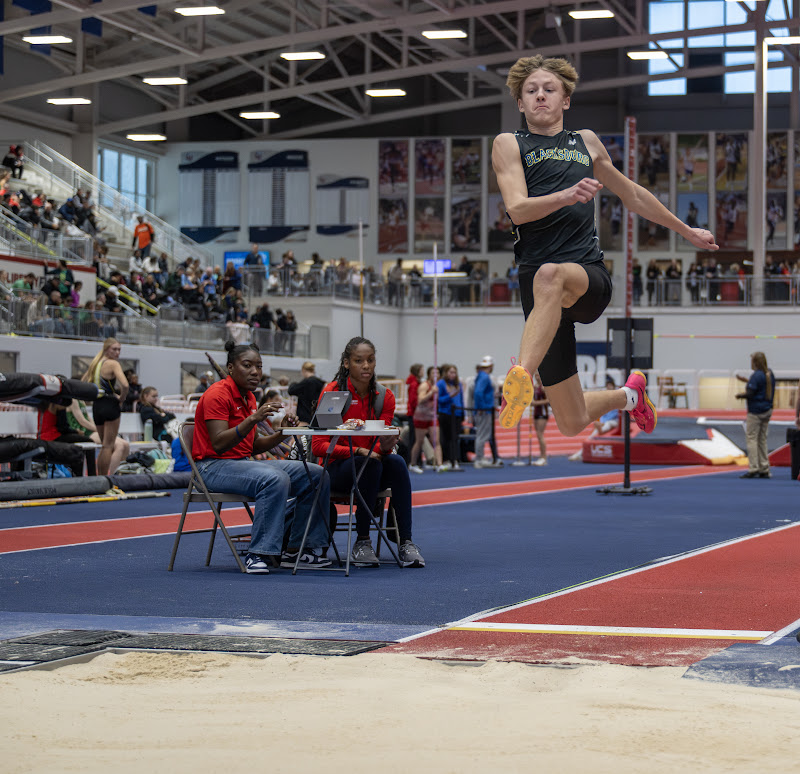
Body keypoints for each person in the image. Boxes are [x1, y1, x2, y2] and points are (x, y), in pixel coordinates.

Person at [491, 55, 718, 441]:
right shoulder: (509, 144)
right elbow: (517, 209)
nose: (540, 97)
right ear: (520, 103)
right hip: (540, 293)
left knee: (552, 273)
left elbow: (632, 195)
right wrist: (566, 195)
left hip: (585, 277)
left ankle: (522, 378)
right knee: (571, 420)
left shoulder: (587, 142)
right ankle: (630, 396)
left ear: (565, 100)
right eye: (531, 91)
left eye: (549, 90)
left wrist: (686, 231)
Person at [192, 340, 332, 573]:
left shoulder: (248, 398)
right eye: (247, 365)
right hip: (211, 467)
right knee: (274, 477)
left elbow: (252, 446)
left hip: (240, 464)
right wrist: (253, 419)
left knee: (316, 474)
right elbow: (218, 444)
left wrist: (282, 432)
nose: (255, 372)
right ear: (230, 368)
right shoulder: (216, 395)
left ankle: (298, 550)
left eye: (258, 366)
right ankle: (259, 553)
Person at [311, 336, 425, 568]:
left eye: (370, 360)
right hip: (336, 469)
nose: (366, 366)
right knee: (370, 464)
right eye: (358, 360)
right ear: (346, 364)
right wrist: (360, 450)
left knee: (397, 462)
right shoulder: (332, 393)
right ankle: (362, 542)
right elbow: (318, 446)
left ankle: (406, 542)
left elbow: (382, 445)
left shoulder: (384, 397)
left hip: (372, 465)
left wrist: (386, 445)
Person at [81, 337, 129, 476]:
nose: (117, 352)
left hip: (97, 405)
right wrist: (121, 398)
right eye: (114, 349)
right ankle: (104, 477)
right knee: (108, 445)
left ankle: (100, 477)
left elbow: (83, 383)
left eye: (119, 349)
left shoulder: (95, 364)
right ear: (106, 349)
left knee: (104, 446)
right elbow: (125, 385)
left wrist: (89, 398)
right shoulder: (113, 364)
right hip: (109, 404)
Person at [735, 351, 776, 479]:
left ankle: (753, 468)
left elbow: (751, 393)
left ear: (755, 362)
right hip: (767, 410)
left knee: (752, 439)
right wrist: (746, 381)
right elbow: (761, 387)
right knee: (762, 439)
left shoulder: (756, 375)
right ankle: (764, 467)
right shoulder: (769, 373)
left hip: (756, 411)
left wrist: (740, 395)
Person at [568, 376, 621, 461]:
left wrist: (603, 423)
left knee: (607, 424)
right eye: (607, 385)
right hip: (605, 422)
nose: (608, 387)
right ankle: (580, 453)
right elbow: (602, 412)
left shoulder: (617, 397)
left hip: (614, 421)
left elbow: (616, 413)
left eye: (610, 385)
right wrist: (600, 422)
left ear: (613, 386)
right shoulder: (605, 397)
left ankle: (601, 429)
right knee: (592, 435)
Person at [472, 355, 501, 468]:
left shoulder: (480, 376)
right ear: (491, 365)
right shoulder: (484, 377)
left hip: (484, 408)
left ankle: (480, 457)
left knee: (481, 434)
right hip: (485, 410)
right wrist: (482, 407)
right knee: (482, 435)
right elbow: (478, 393)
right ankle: (479, 458)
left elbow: (480, 392)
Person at [436, 364, 464, 470]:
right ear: (446, 373)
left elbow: (461, 399)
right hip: (445, 413)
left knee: (455, 438)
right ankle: (447, 459)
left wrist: (462, 413)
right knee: (447, 438)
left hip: (457, 414)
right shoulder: (441, 384)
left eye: (454, 372)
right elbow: (439, 400)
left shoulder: (458, 384)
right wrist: (449, 396)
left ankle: (455, 459)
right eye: (450, 372)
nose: (453, 374)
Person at [532, 371, 550, 465]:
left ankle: (544, 457)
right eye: (536, 376)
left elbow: (548, 400)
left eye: (539, 376)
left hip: (542, 413)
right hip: (536, 412)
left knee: (540, 434)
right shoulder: (536, 387)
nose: (537, 378)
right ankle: (541, 456)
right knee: (538, 435)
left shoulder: (544, 388)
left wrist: (536, 403)